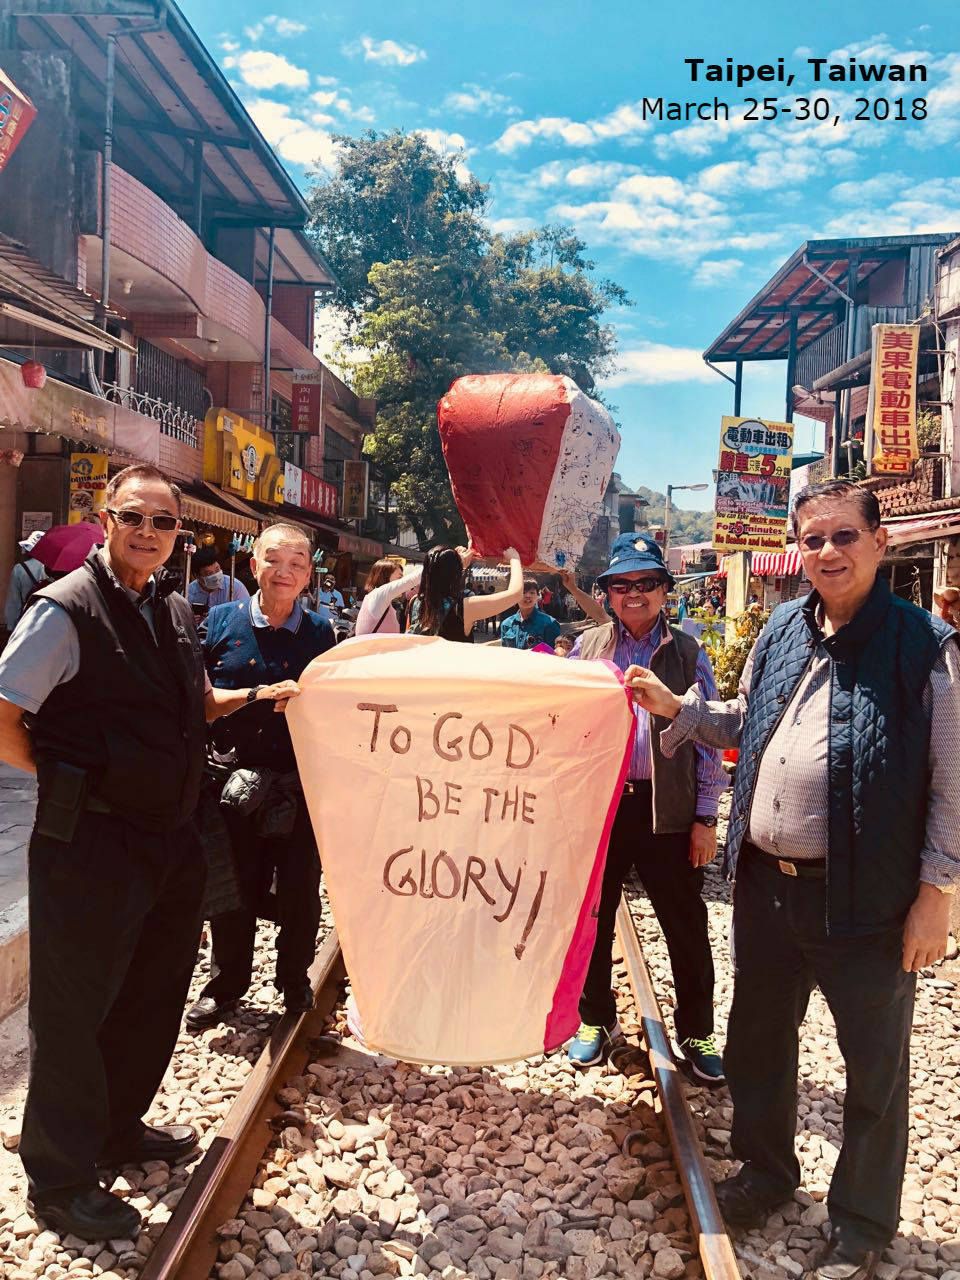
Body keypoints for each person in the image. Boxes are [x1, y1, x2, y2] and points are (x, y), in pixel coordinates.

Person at [628, 480, 960, 1280]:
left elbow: (953, 783)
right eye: (813, 539)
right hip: (765, 889)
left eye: (844, 536)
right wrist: (678, 709)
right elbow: (746, 720)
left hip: (868, 897)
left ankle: (862, 1222)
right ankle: (768, 1173)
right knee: (758, 1043)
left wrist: (937, 895)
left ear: (880, 542)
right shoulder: (783, 628)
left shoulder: (925, 646)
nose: (828, 552)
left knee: (873, 1067)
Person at [0, 465, 296, 1242]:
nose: (148, 532)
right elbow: (4, 713)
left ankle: (115, 1127)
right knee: (74, 1010)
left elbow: (195, 703)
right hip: (90, 842)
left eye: (163, 522)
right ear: (106, 519)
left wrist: (264, 695)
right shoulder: (65, 609)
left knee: (152, 992)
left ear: (177, 535)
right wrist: (65, 778)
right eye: (133, 516)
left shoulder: (169, 607)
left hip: (168, 836)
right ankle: (59, 1179)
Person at [564, 533, 726, 1084]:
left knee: (686, 925)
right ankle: (594, 1018)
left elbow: (709, 739)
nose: (633, 593)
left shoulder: (688, 653)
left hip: (668, 810)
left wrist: (706, 817)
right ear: (606, 593)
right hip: (602, 809)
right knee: (593, 917)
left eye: (646, 582)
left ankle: (697, 1032)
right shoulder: (586, 650)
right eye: (621, 584)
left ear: (664, 589)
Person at [185, 523, 335, 1031]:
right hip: (232, 786)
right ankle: (226, 986)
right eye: (274, 560)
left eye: (296, 563)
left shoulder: (322, 634)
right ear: (254, 565)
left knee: (300, 890)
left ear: (308, 575)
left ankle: (294, 981)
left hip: (298, 783)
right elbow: (200, 702)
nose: (284, 572)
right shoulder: (219, 622)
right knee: (233, 892)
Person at [408, 545, 523, 641]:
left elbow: (438, 575)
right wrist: (515, 559)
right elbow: (515, 595)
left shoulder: (416, 602)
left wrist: (457, 565)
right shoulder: (463, 607)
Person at [355, 558, 423, 636]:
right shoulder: (378, 596)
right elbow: (412, 580)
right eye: (399, 578)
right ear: (384, 577)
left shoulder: (378, 599)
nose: (401, 582)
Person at [500, 577, 562, 650]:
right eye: (523, 592)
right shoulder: (506, 624)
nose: (527, 596)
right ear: (515, 596)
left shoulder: (550, 623)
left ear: (538, 596)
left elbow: (555, 653)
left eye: (532, 593)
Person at [4, 530, 47, 630]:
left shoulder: (19, 569)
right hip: (49, 619)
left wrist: (11, 627)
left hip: (26, 621)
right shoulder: (55, 569)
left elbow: (14, 602)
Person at [187, 546, 250, 611]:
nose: (216, 576)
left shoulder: (235, 587)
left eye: (217, 570)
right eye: (209, 573)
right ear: (197, 576)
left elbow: (246, 613)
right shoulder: (189, 592)